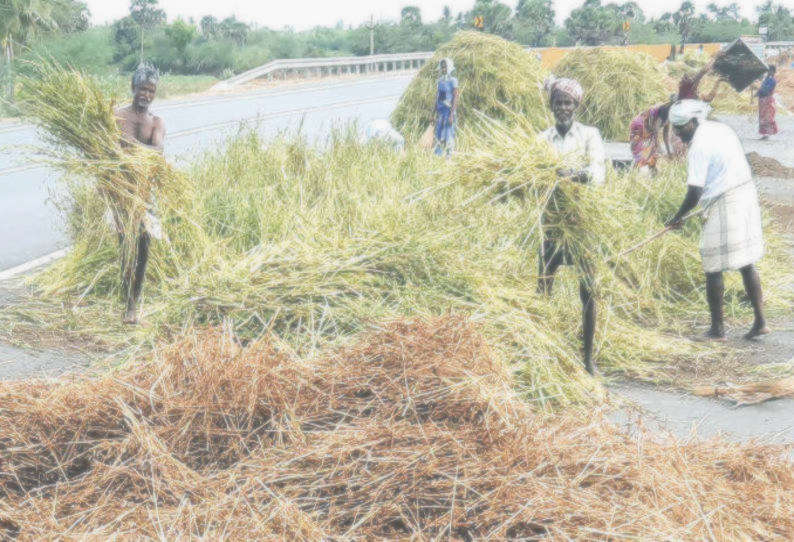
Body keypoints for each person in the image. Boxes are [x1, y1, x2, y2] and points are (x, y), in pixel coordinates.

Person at [665, 100, 768, 341]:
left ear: (693, 121)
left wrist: (676, 218)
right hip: (745, 193)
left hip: (727, 200)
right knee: (746, 262)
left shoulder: (698, 146)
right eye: (675, 127)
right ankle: (761, 321)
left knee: (711, 264)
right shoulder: (719, 128)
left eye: (681, 127)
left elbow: (694, 192)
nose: (678, 133)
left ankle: (717, 330)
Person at [538, 77, 606, 375]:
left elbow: (598, 171)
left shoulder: (590, 135)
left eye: (568, 103)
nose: (563, 108)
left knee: (588, 289)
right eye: (558, 103)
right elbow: (535, 175)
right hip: (552, 221)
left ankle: (588, 357)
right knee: (543, 285)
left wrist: (572, 175)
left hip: (581, 221)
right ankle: (541, 350)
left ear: (576, 105)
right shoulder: (542, 140)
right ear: (551, 106)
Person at [112, 62, 166, 324]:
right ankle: (127, 302)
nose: (146, 95)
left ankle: (136, 300)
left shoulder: (155, 122)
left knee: (144, 247)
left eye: (151, 91)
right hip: (121, 192)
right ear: (133, 87)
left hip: (144, 194)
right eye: (142, 89)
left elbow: (157, 152)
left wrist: (130, 148)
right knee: (125, 247)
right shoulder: (117, 116)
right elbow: (111, 150)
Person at [629, 102, 672, 170]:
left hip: (648, 130)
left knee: (652, 156)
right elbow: (655, 134)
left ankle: (653, 175)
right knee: (641, 154)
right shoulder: (660, 113)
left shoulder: (669, 117)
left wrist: (669, 152)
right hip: (639, 126)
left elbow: (665, 136)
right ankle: (632, 175)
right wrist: (661, 151)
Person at [433, 58, 458, 157]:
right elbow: (438, 98)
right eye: (442, 67)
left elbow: (455, 97)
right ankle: (438, 156)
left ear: (450, 68)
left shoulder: (453, 81)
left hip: (449, 112)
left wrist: (452, 114)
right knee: (438, 133)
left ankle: (449, 156)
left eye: (445, 67)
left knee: (448, 134)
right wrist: (433, 113)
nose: (444, 69)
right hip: (441, 112)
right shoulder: (439, 82)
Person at [756, 65, 778, 140]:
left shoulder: (772, 80)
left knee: (767, 117)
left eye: (770, 71)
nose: (768, 72)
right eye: (768, 70)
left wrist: (759, 91)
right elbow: (762, 88)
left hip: (767, 100)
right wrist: (757, 93)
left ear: (773, 72)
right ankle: (764, 134)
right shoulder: (766, 79)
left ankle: (767, 134)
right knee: (762, 117)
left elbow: (766, 89)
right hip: (763, 100)